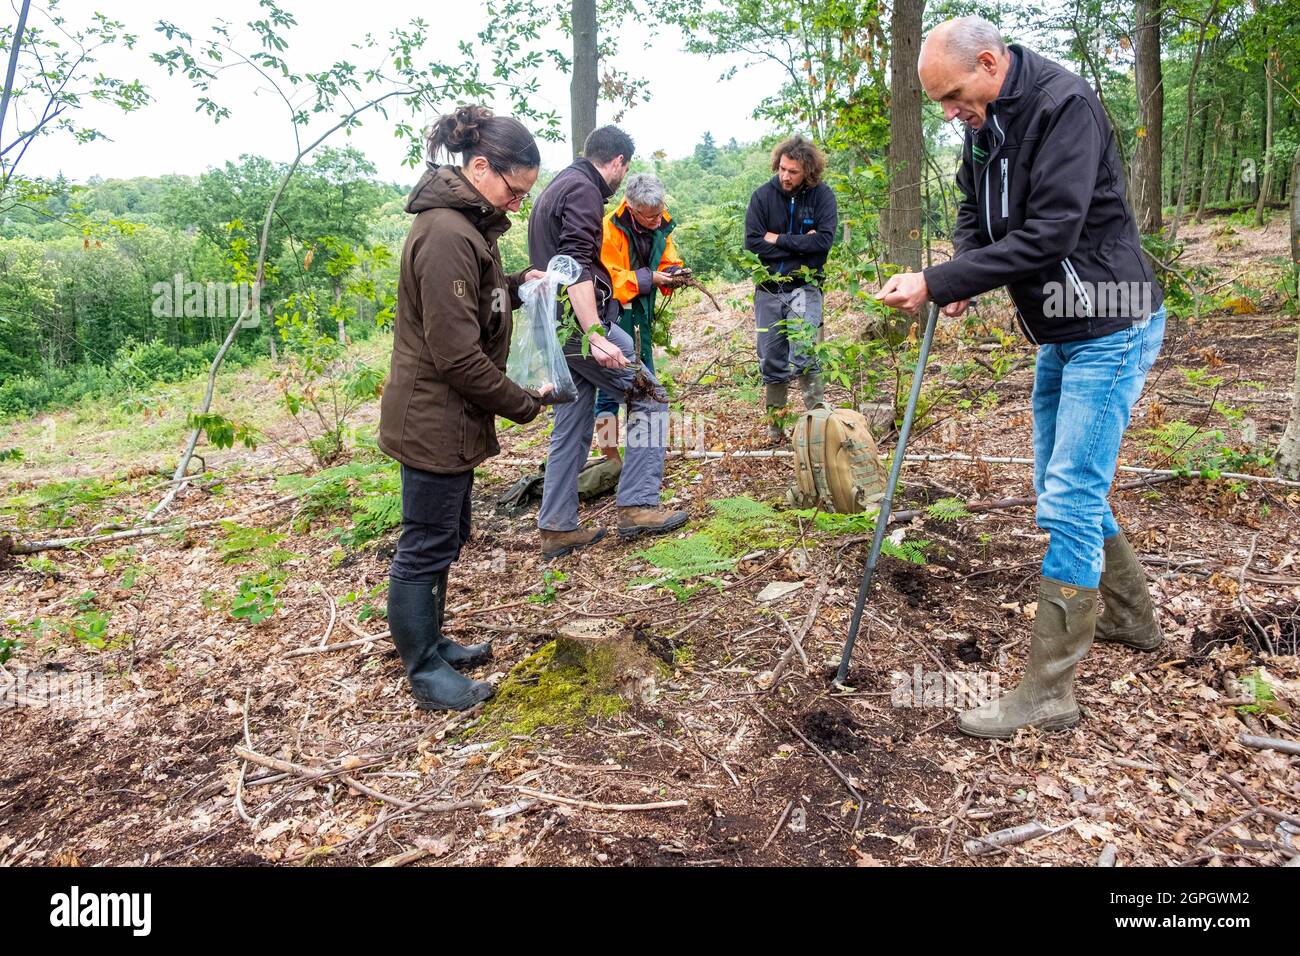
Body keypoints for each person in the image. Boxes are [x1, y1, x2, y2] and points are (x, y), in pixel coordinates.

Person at [877, 17, 1167, 738]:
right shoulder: (985, 124)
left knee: (1070, 494)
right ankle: (1133, 619)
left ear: (988, 62)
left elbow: (1053, 232)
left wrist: (939, 279)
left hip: (1112, 319)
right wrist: (964, 275)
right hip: (1060, 328)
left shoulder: (1063, 106)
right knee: (1061, 484)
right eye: (940, 104)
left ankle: (1047, 693)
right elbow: (975, 212)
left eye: (952, 96)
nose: (949, 113)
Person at [378, 105, 553, 711]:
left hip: (450, 417)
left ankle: (435, 642)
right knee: (426, 540)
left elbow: (468, 306)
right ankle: (423, 669)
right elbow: (455, 354)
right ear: (480, 168)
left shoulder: (466, 227)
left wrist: (512, 289)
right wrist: (524, 403)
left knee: (447, 533)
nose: (516, 203)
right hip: (432, 416)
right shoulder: (448, 232)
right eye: (514, 189)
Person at [528, 126, 688, 560]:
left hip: (557, 328)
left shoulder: (557, 186)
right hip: (582, 326)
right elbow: (578, 266)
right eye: (625, 168)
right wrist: (596, 333)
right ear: (618, 162)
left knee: (571, 423)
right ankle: (638, 505)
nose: (622, 176)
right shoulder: (583, 191)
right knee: (651, 396)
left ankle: (557, 527)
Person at [743, 134, 838, 442]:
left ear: (807, 171)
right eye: (782, 168)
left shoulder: (822, 197)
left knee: (805, 353)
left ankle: (820, 427)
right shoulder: (762, 197)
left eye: (793, 171)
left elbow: (822, 245)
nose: (785, 176)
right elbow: (753, 244)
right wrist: (801, 244)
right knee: (771, 358)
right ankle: (776, 429)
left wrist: (778, 239)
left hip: (805, 287)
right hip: (768, 290)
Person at [592, 172, 686, 464]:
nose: (657, 220)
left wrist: (673, 274)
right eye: (649, 217)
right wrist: (649, 278)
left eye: (660, 213)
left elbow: (668, 256)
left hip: (642, 315)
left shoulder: (659, 218)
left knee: (646, 383)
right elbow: (610, 279)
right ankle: (609, 455)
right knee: (612, 388)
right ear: (632, 209)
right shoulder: (610, 228)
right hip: (614, 314)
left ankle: (643, 451)